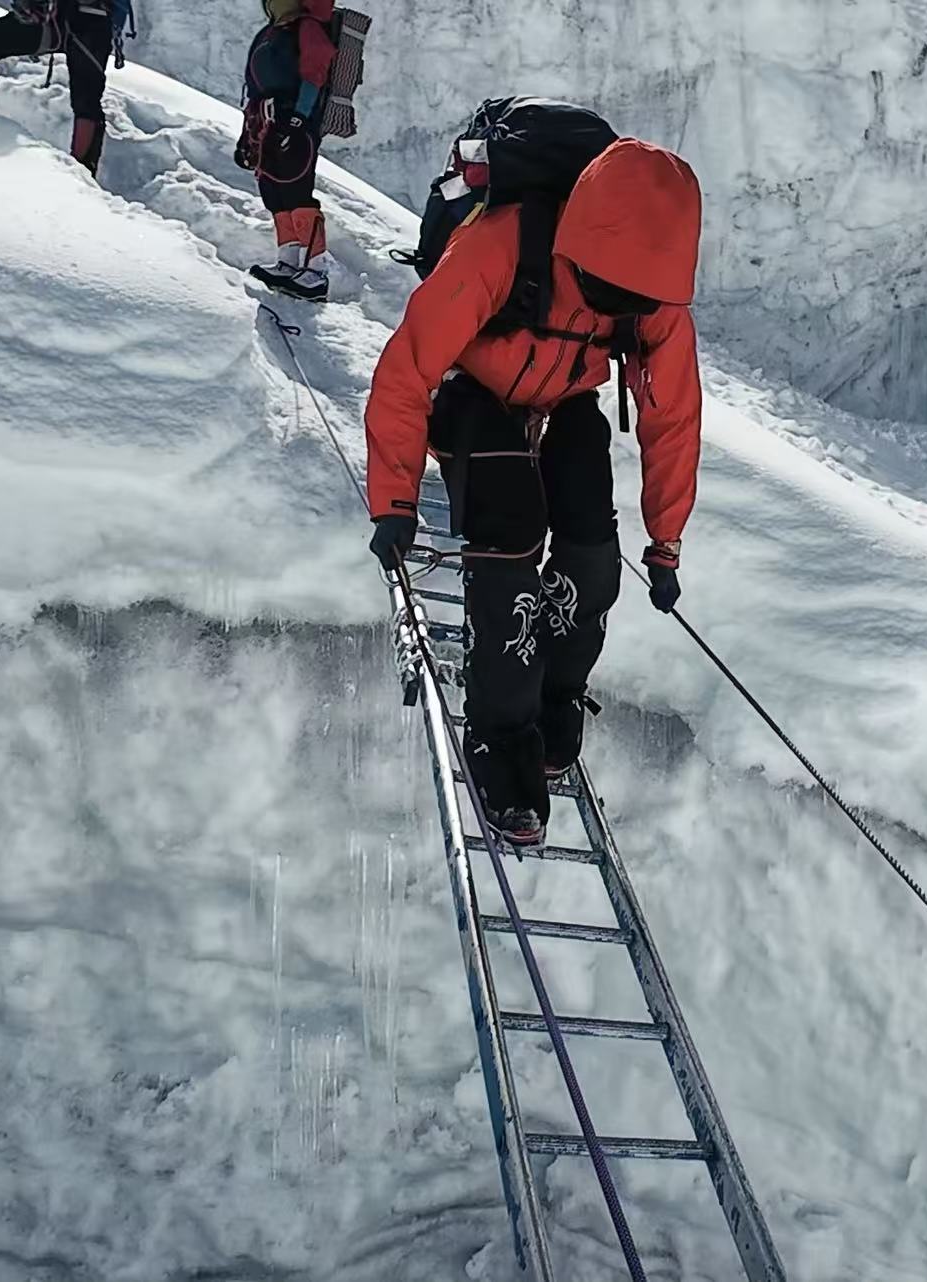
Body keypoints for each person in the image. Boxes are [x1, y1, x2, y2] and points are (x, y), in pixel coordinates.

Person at [364, 139, 704, 848]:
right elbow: (408, 371)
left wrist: (665, 541)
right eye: (606, 289)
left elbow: (671, 417)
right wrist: (393, 502)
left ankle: (556, 694)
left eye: (635, 299)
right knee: (513, 526)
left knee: (591, 548)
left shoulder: (649, 293)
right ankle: (499, 732)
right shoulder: (502, 247)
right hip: (472, 395)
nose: (621, 307)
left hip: (564, 400)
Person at [236, 0, 367, 303]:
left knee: (296, 191)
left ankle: (315, 272)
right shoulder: (277, 31)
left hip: (294, 122)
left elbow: (315, 72)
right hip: (270, 122)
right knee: (275, 192)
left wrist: (298, 118)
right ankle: (289, 262)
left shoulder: (305, 28)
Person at [0, 0, 118, 176]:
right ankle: (82, 175)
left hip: (87, 18)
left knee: (86, 100)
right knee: (86, 100)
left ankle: (82, 177)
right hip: (73, 18)